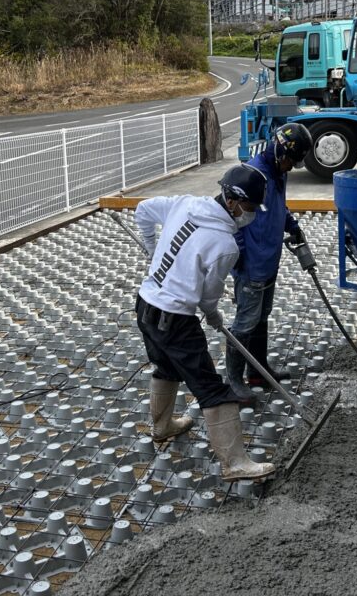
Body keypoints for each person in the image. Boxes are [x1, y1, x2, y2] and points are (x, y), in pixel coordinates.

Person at [134, 163, 275, 480]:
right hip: (175, 318)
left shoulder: (184, 203)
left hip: (145, 304)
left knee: (166, 367)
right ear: (233, 202)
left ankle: (162, 426)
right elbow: (208, 297)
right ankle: (235, 463)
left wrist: (153, 252)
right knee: (212, 389)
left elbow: (143, 209)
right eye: (249, 206)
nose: (250, 213)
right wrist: (213, 315)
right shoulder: (225, 245)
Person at [227, 122, 313, 401]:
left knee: (261, 318)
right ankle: (235, 380)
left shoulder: (278, 172)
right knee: (245, 322)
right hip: (251, 265)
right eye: (291, 160)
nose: (291, 167)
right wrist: (239, 257)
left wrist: (292, 226)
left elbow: (279, 205)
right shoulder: (251, 176)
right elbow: (232, 218)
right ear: (279, 149)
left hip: (269, 262)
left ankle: (258, 370)